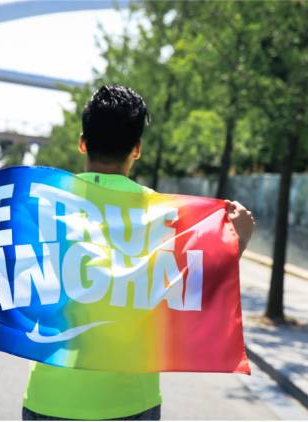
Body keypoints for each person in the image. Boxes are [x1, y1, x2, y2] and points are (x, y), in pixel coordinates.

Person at [22, 85, 255, 421]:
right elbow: (194, 289)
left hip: (49, 396)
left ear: (82, 142)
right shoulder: (164, 217)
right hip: (129, 401)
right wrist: (236, 241)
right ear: (137, 149)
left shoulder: (44, 206)